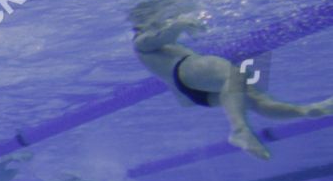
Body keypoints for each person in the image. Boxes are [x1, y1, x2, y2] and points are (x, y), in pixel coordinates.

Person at [133, 15, 333, 160]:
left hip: (190, 91)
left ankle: (308, 111)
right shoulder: (141, 41)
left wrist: (178, 24)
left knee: (256, 100)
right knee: (234, 75)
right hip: (184, 70)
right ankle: (239, 129)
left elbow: (164, 37)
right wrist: (180, 22)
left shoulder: (154, 46)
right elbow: (162, 37)